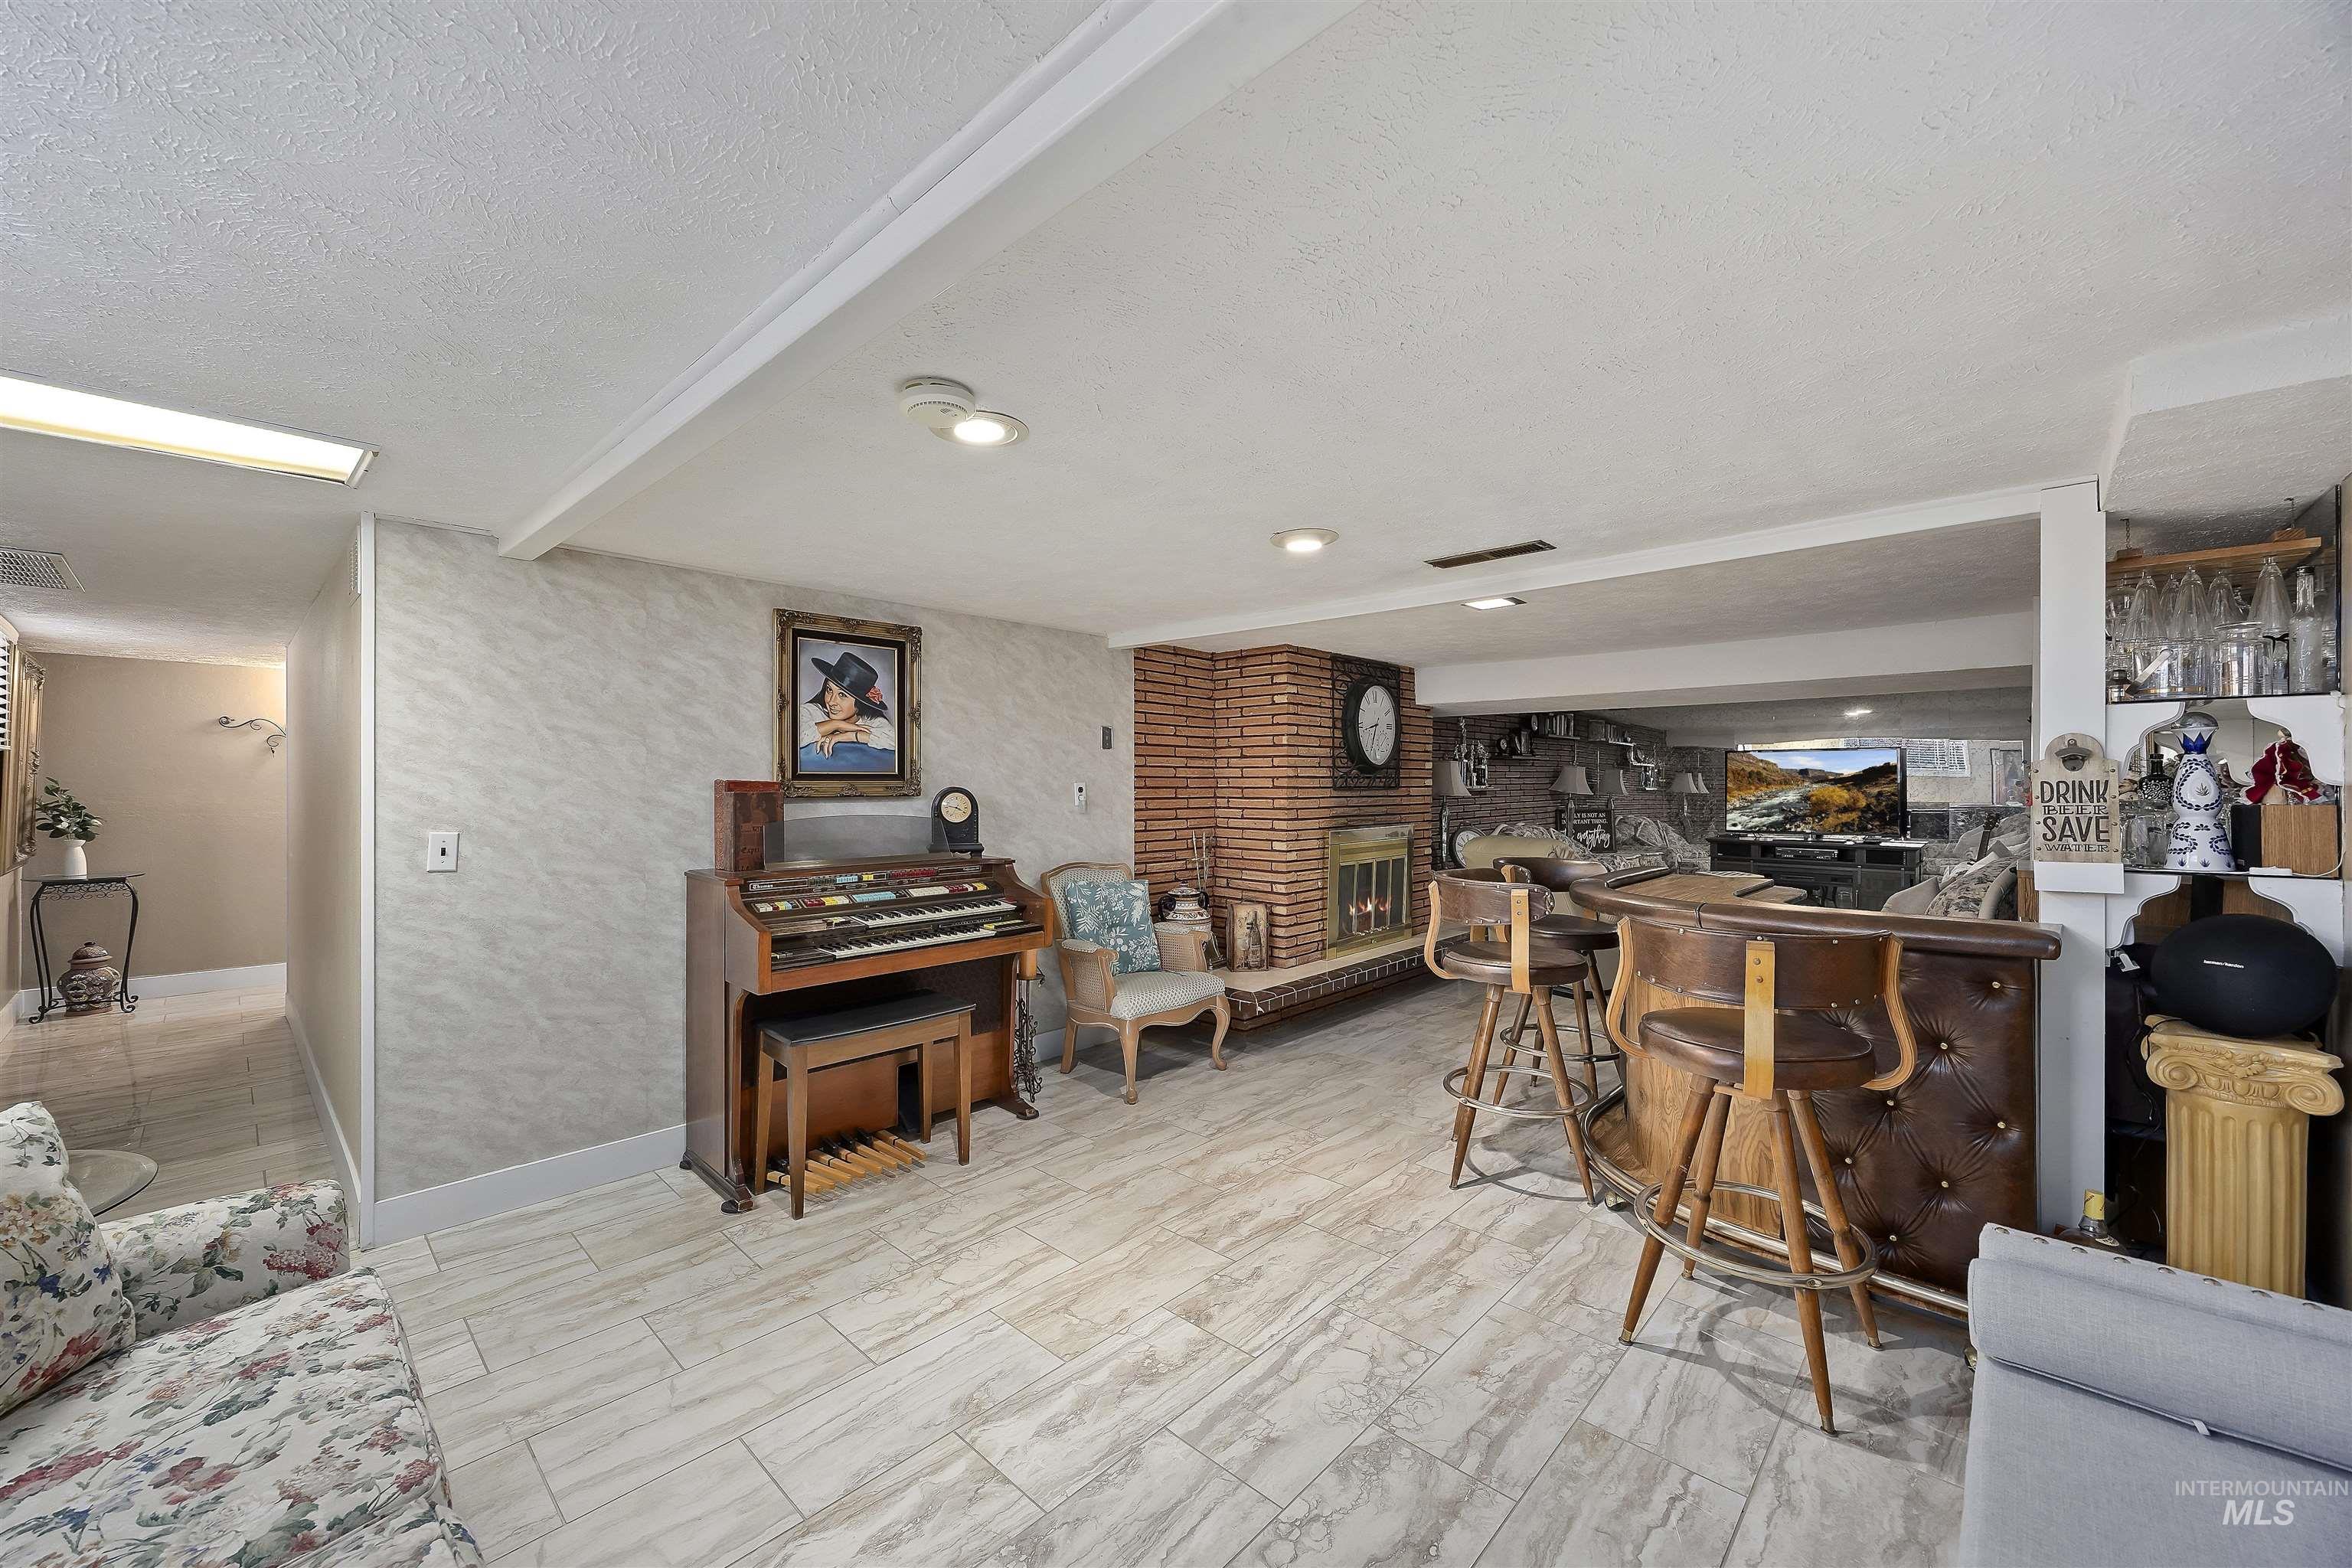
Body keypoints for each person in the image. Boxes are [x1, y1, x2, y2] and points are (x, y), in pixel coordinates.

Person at [797, 648, 898, 772]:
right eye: (829, 690)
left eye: (842, 695)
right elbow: (792, 736)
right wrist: (836, 724)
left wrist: (849, 735)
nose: (831, 701)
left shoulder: (871, 720)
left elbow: (896, 741)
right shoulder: (811, 711)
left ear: (860, 704)